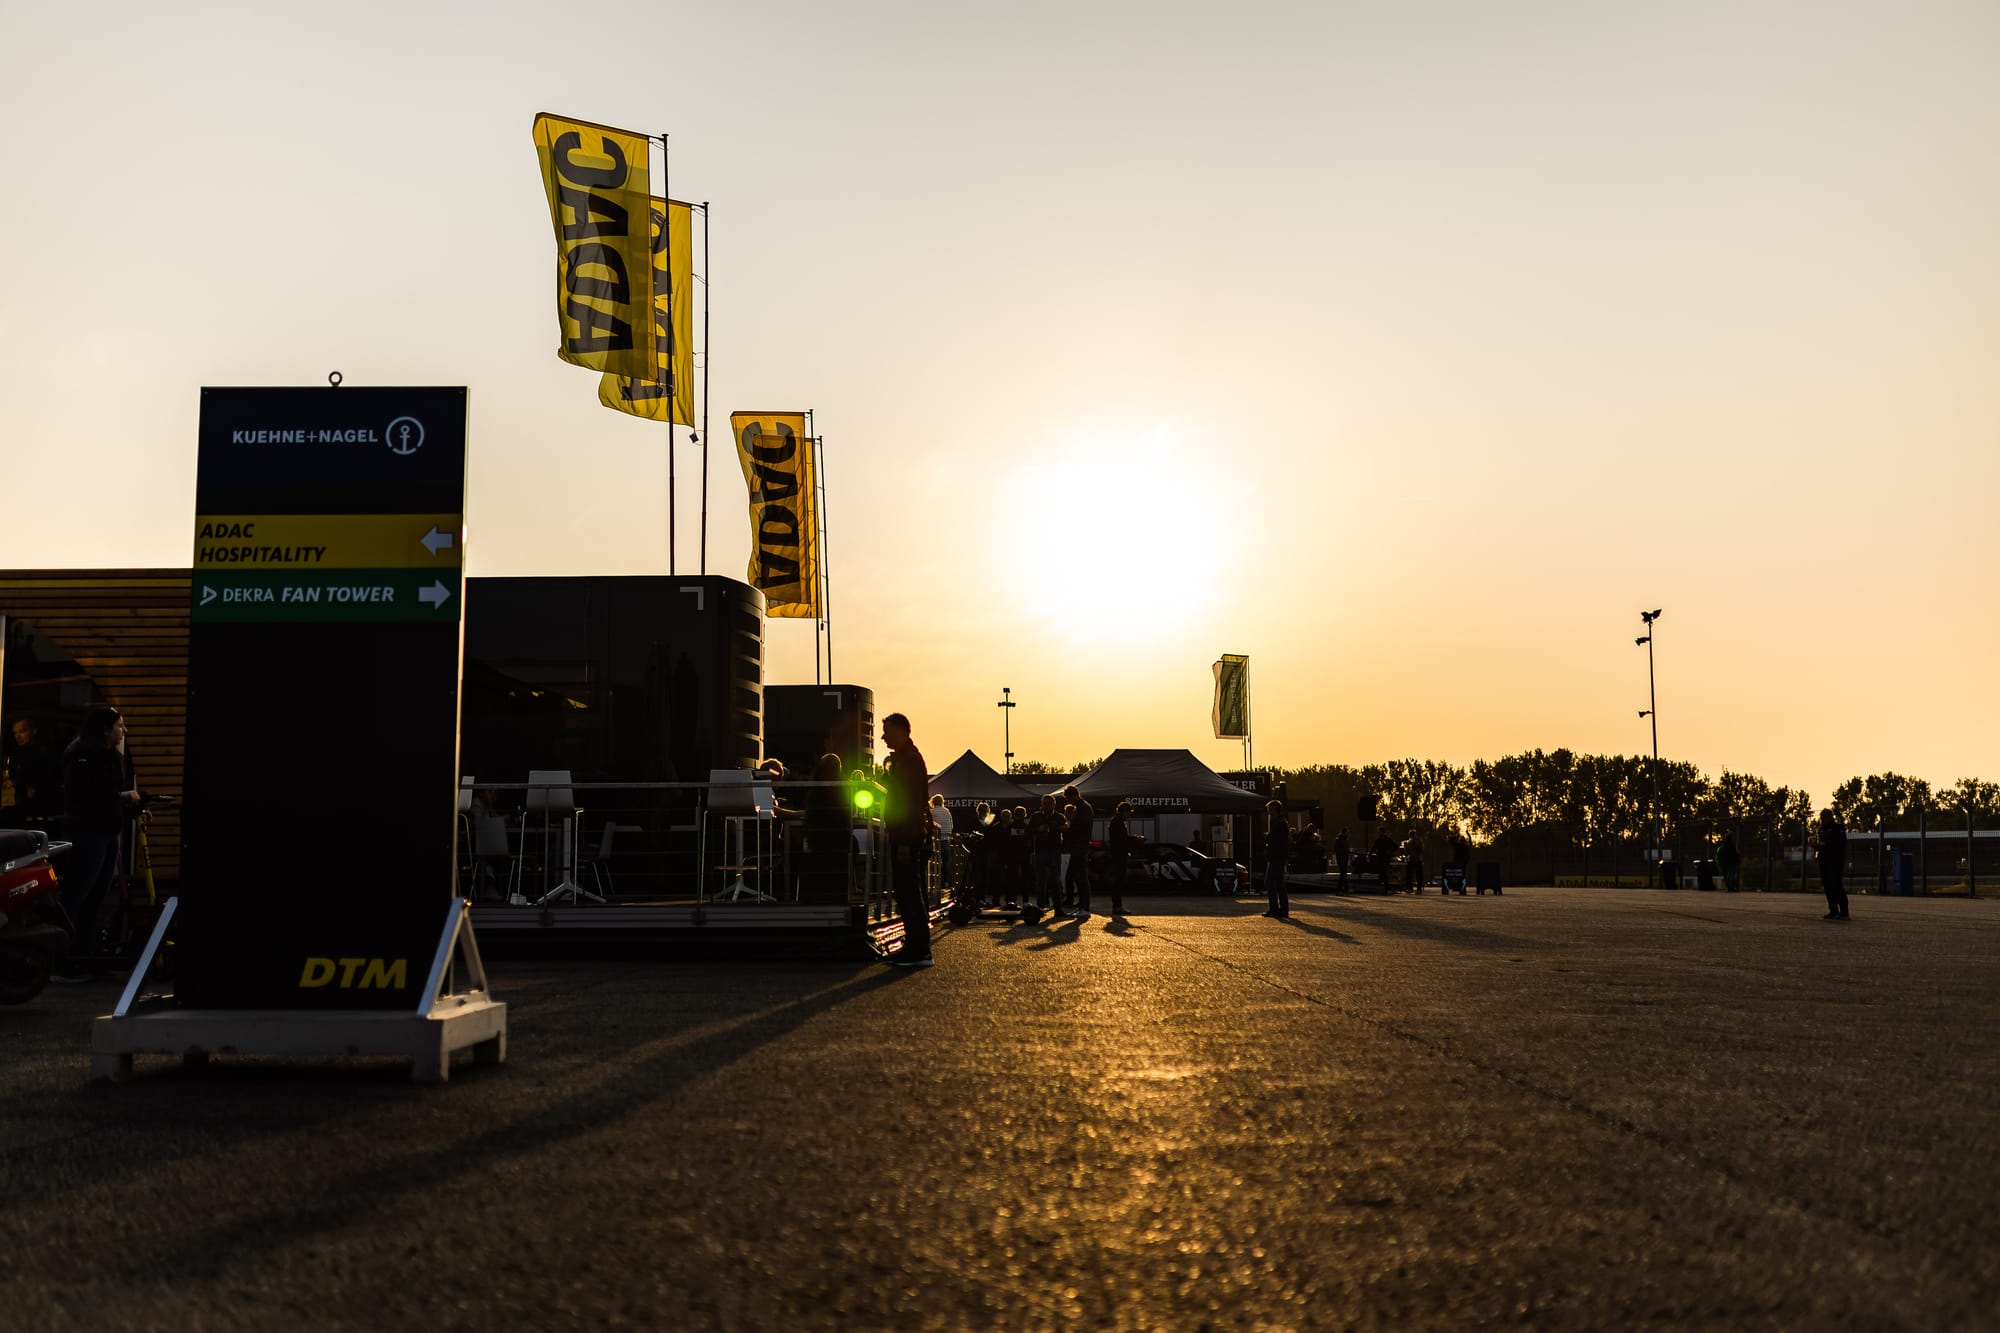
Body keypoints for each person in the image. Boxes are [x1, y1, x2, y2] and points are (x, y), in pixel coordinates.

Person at [57, 706, 140, 977]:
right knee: (78, 894)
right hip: (87, 834)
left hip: (104, 833)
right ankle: (64, 959)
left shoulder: (104, 756)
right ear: (105, 729)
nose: (123, 731)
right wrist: (124, 798)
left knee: (95, 897)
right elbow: (90, 795)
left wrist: (129, 807)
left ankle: (85, 956)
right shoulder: (82, 755)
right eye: (120, 725)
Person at [879, 714, 934, 965]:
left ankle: (919, 949)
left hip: (906, 835)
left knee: (909, 893)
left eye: (887, 732)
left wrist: (904, 841)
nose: (883, 737)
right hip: (905, 832)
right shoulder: (905, 760)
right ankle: (915, 946)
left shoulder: (909, 761)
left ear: (901, 731)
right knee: (906, 893)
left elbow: (912, 803)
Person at [3, 718, 58, 826]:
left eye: (22, 731)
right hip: (16, 807)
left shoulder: (44, 753)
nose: (18, 736)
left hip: (37, 809)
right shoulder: (15, 754)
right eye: (15, 733)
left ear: (34, 731)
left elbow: (48, 779)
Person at [1026, 794, 1064, 918]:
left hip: (1054, 851)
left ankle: (1058, 908)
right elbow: (1028, 831)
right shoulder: (1036, 816)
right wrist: (1038, 829)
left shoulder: (1059, 816)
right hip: (1041, 851)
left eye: (1049, 803)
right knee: (1040, 881)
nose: (1047, 805)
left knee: (1055, 881)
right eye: (1045, 803)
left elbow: (1066, 828)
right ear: (1042, 804)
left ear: (1054, 804)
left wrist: (1057, 828)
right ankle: (1040, 908)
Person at [1060, 785, 1094, 919]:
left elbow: (1079, 829)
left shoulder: (1083, 808)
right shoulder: (1082, 808)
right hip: (1078, 846)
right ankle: (1082, 906)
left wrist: (1066, 830)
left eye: (1068, 799)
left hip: (1080, 846)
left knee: (1081, 877)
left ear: (1073, 795)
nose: (1069, 802)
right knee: (1078, 877)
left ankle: (1084, 907)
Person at [1812, 809, 1850, 921]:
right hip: (1824, 861)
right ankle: (1833, 911)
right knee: (1828, 886)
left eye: (1823, 818)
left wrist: (1827, 845)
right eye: (1821, 818)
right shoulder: (1821, 830)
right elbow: (1820, 844)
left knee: (1837, 885)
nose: (1822, 820)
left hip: (1836, 861)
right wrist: (1816, 845)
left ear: (1829, 817)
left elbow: (1840, 844)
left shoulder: (1838, 828)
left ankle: (1844, 912)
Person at [1105, 800, 1135, 918]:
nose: (1129, 815)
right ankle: (1117, 906)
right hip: (1119, 854)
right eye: (1128, 812)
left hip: (1117, 854)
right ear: (1124, 811)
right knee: (1119, 879)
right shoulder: (1118, 822)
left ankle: (1117, 905)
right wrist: (1134, 839)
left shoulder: (1115, 821)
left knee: (1119, 879)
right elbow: (1121, 839)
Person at [1262, 800, 1290, 918]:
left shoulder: (1279, 824)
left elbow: (1274, 840)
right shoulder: (1281, 822)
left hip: (1276, 857)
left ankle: (1276, 909)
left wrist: (1267, 836)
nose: (1269, 813)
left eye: (1269, 810)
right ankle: (1282, 909)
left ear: (1274, 810)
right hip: (1278, 857)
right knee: (1278, 883)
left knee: (1272, 883)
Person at [929, 795, 956, 891]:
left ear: (933, 802)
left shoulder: (932, 812)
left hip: (936, 840)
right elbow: (951, 826)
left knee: (935, 861)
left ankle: (935, 882)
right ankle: (946, 882)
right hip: (946, 839)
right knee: (946, 861)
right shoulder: (947, 811)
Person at [1717, 829, 1742, 893]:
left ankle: (1729, 887)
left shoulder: (1725, 845)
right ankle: (1732, 887)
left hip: (1728, 861)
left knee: (1729, 875)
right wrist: (1737, 856)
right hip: (1732, 861)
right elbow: (1733, 853)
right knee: (1732, 875)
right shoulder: (1731, 845)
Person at [1332, 826, 1352, 893]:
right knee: (1343, 874)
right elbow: (1336, 849)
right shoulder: (1339, 840)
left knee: (1343, 874)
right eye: (1347, 832)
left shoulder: (1345, 840)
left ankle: (1345, 889)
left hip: (1344, 858)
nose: (1348, 833)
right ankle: (1341, 889)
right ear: (1344, 832)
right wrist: (1346, 850)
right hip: (1341, 859)